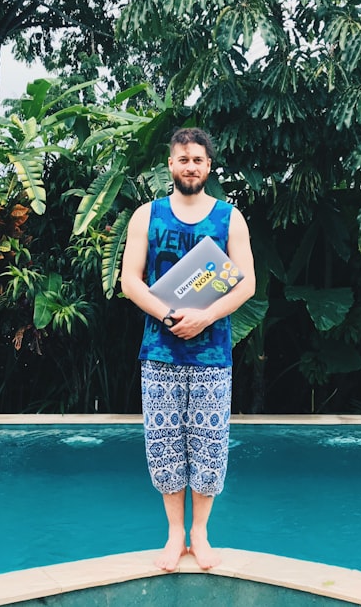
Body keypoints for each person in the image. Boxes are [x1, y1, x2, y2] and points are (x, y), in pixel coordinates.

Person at [120, 127, 256, 572]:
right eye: (182, 159)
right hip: (160, 352)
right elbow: (130, 281)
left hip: (213, 354)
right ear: (171, 165)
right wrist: (169, 316)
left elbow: (247, 283)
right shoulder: (147, 215)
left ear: (208, 165)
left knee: (209, 444)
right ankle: (174, 533)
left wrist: (206, 317)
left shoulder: (230, 217)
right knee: (164, 445)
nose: (190, 166)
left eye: (197, 159)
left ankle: (200, 533)